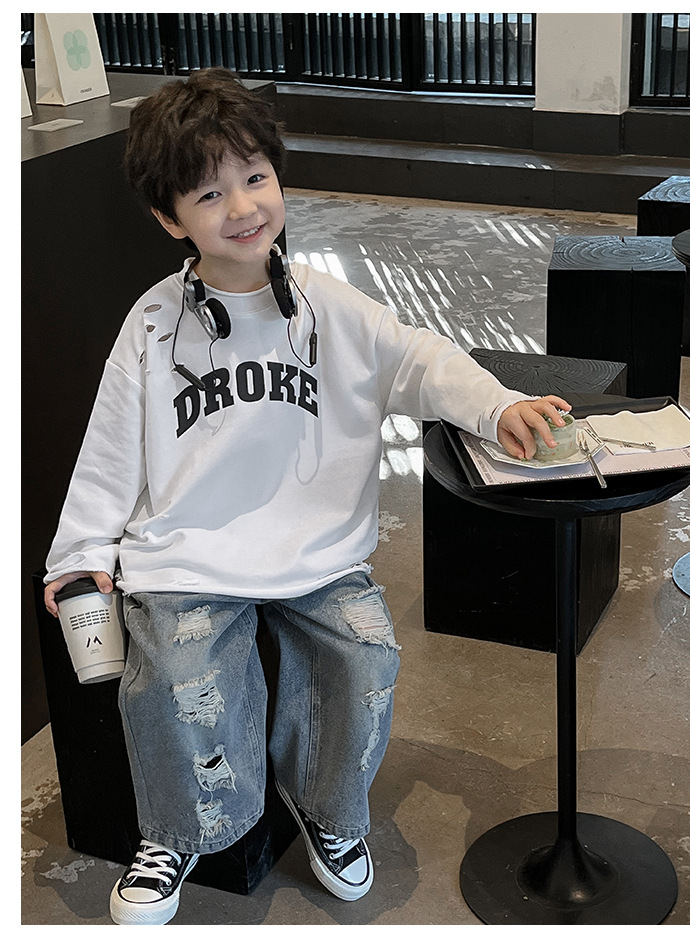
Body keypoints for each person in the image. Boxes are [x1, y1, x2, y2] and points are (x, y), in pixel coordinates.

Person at [43, 68, 571, 925]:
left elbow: (419, 358)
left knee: (365, 659)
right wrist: (78, 555)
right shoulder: (152, 324)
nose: (243, 206)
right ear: (169, 219)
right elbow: (110, 448)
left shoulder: (328, 305)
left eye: (255, 177)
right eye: (209, 194)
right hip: (190, 553)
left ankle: (328, 810)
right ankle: (176, 832)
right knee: (172, 675)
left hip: (317, 551)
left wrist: (497, 405)